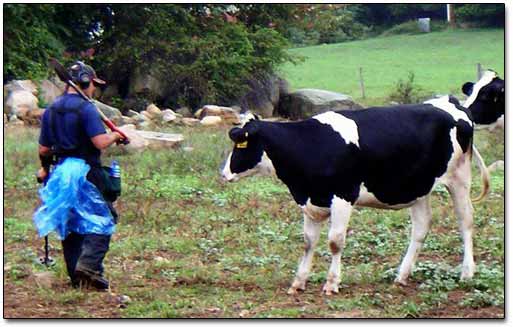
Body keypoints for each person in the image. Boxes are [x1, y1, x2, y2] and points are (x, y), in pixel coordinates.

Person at [37, 61, 125, 290]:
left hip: (61, 173)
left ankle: (77, 277)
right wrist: (116, 136)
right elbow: (100, 141)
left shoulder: (51, 110)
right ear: (85, 82)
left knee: (72, 221)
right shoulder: (86, 109)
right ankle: (88, 266)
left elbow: (44, 149)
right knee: (104, 218)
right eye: (93, 84)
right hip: (86, 172)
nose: (94, 89)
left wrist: (45, 168)